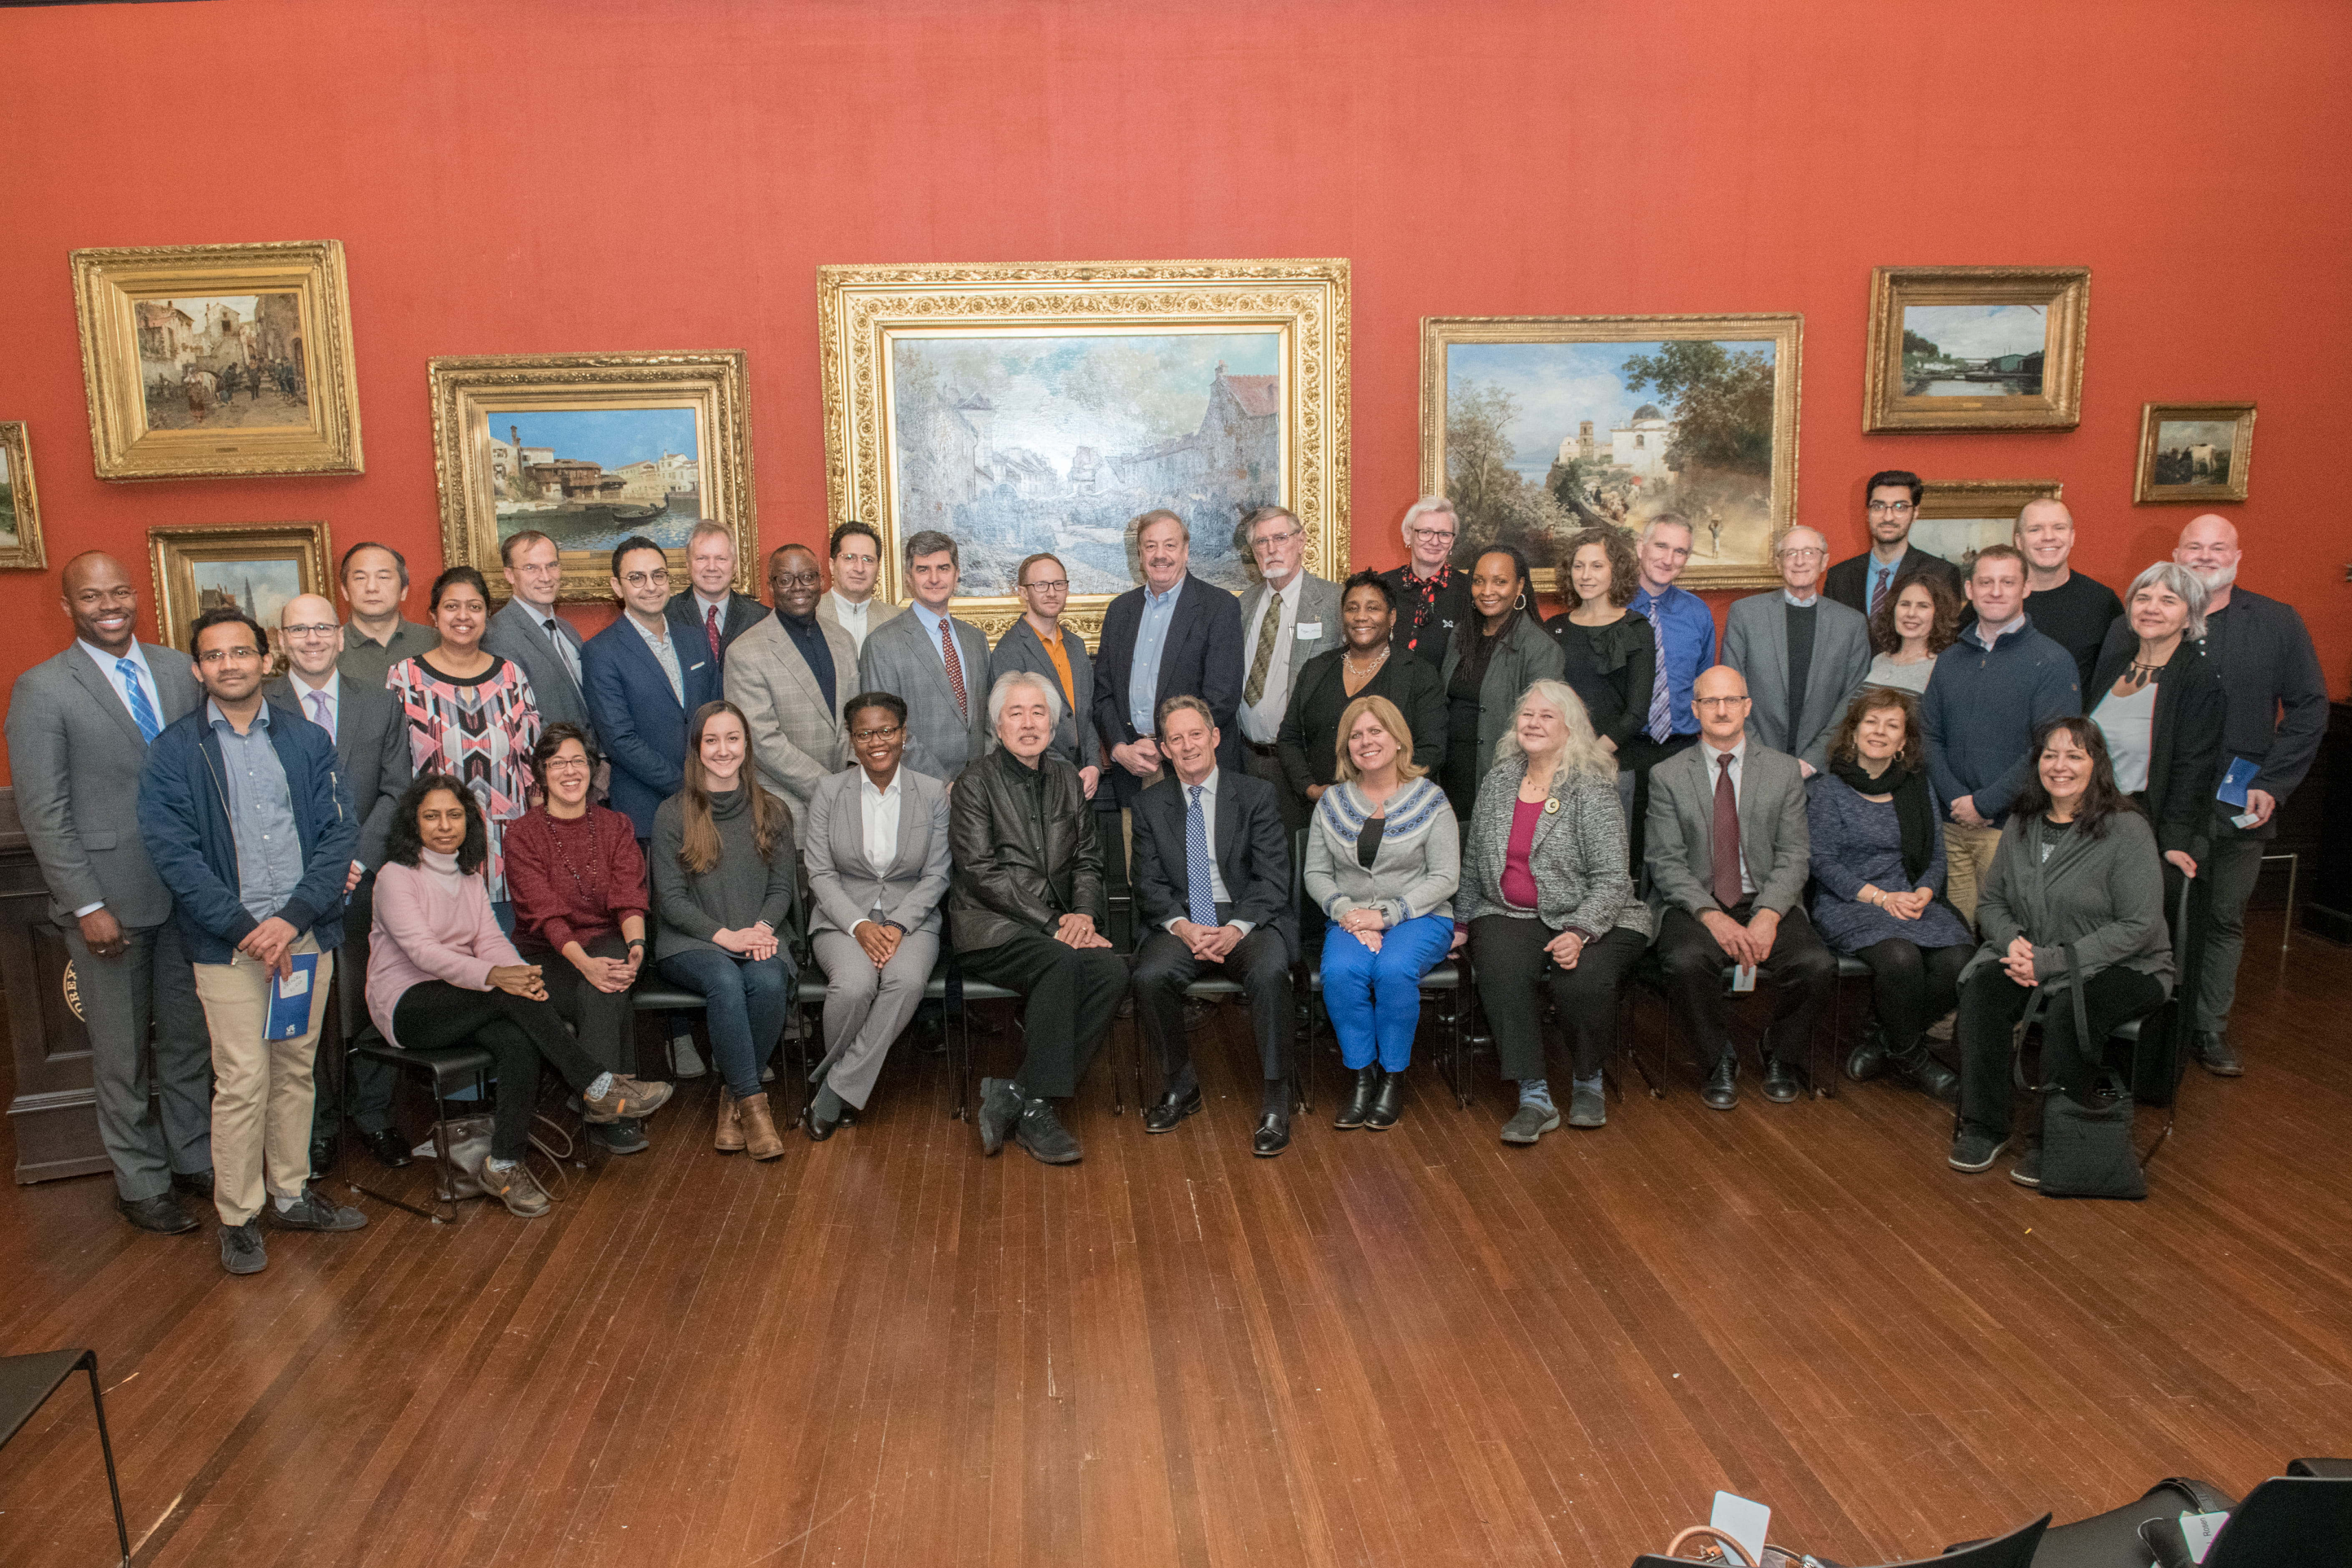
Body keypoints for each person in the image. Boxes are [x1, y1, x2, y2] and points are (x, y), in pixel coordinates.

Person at [137, 607, 367, 1274]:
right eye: (215, 655)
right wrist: (249, 929)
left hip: (302, 937)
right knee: (242, 1079)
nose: (230, 664)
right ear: (197, 669)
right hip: (228, 947)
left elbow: (337, 837)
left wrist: (291, 920)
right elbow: (175, 855)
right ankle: (238, 1215)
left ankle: (290, 1195)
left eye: (242, 652)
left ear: (267, 660)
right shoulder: (175, 751)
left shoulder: (307, 741)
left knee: (297, 1069)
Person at [6, 552, 215, 1234]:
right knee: (122, 1053)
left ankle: (191, 1158)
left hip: (186, 893)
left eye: (119, 590)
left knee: (188, 1042)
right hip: (109, 903)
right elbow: (45, 811)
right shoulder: (42, 689)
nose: (109, 604)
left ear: (136, 595)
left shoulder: (175, 671)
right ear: (68, 606)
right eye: (91, 595)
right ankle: (140, 1180)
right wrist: (87, 904)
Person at [369, 775, 674, 1218]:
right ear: (412, 824)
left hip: (465, 997)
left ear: (468, 823)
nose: (444, 825)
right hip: (406, 1006)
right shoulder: (396, 877)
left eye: (454, 815)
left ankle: (505, 1163)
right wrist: (500, 977)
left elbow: (491, 940)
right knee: (506, 997)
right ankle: (597, 1084)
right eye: (431, 816)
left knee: (517, 1038)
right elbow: (424, 953)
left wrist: (522, 976)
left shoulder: (468, 878)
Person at [1948, 719, 2171, 1186]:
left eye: (2074, 755)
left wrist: (2048, 962)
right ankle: (1984, 1125)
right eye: (2050, 755)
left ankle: (2054, 1139)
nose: (2060, 766)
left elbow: (2139, 925)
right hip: (2031, 953)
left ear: (2097, 764)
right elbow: (1991, 903)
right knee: (1982, 994)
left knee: (2074, 1011)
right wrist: (2012, 944)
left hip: (2125, 964)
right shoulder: (2022, 822)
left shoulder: (2126, 829)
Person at [2163, 514, 2327, 1076]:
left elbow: (2310, 707)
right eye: (2194, 546)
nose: (2205, 556)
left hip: (2238, 802)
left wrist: (2273, 784)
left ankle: (2208, 1027)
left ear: (2237, 554)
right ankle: (2153, 1020)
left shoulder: (2277, 623)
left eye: (2217, 546)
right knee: (2151, 912)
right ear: (2175, 553)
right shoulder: (2151, 614)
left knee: (2223, 916)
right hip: (2159, 799)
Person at [1459, 680, 1650, 1139]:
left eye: (1547, 716)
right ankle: (1534, 1096)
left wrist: (1581, 931)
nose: (1533, 723)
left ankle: (1587, 1080)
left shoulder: (1590, 787)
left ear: (1570, 729)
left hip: (1594, 913)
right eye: (1527, 714)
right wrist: (1463, 922)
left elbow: (1612, 878)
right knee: (1501, 970)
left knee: (1580, 980)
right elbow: (1473, 861)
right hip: (1506, 909)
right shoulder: (1499, 779)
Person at [264, 593, 412, 1172]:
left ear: (340, 634)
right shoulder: (260, 703)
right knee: (305, 1009)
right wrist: (317, 871)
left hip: (366, 880)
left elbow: (399, 788)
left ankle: (374, 1114)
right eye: (298, 629)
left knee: (374, 995)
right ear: (281, 640)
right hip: (291, 889)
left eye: (322, 627)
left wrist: (353, 861)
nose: (312, 638)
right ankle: (318, 1125)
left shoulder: (379, 703)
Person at [956, 671, 1129, 1166]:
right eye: (1017, 713)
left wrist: (1083, 915)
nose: (1029, 724)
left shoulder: (1066, 782)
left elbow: (1088, 861)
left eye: (1039, 714)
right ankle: (1038, 1111)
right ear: (997, 725)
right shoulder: (974, 784)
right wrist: (1054, 925)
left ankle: (1018, 1094)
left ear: (1053, 728)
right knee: (1060, 961)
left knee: (1113, 970)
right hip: (990, 927)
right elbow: (980, 873)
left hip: (1057, 926)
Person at [1645, 665, 1836, 1110]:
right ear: (1695, 710)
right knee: (1686, 962)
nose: (1721, 710)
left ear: (1747, 707)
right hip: (1695, 902)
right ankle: (1717, 1059)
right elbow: (1664, 863)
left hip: (1763, 899)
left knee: (1816, 965)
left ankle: (1779, 1052)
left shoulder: (1783, 772)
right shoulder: (1668, 776)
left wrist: (1768, 916)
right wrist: (1712, 918)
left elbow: (1794, 856)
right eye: (1710, 701)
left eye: (1731, 700)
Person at [1130, 695, 1299, 1156]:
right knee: (1149, 977)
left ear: (1215, 737)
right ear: (1164, 749)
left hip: (1246, 916)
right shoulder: (1149, 806)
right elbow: (1146, 883)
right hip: (1184, 921)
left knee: (1268, 973)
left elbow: (1272, 878)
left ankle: (1275, 1098)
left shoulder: (1256, 794)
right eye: (1175, 739)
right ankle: (1181, 1085)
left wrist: (1237, 927)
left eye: (1195, 735)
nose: (1187, 746)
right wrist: (1184, 927)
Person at [1806, 688, 1970, 1102]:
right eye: (1871, 722)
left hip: (1910, 898)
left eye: (1891, 725)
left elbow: (1934, 855)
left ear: (1903, 742)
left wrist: (1924, 892)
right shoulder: (1828, 790)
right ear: (1853, 731)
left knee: (1962, 961)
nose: (1879, 731)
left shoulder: (1916, 787)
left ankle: (1881, 1038)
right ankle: (1913, 1058)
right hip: (1850, 901)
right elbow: (1822, 863)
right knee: (1901, 959)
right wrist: (1881, 899)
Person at [651, 701, 800, 1160]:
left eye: (732, 738)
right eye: (711, 740)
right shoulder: (672, 814)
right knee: (724, 980)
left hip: (760, 933)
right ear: (696, 749)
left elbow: (782, 888)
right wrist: (726, 938)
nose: (722, 750)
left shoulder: (773, 811)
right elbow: (671, 902)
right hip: (693, 941)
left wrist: (758, 930)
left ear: (746, 746)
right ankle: (756, 1110)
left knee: (769, 980)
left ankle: (734, 1097)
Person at [1306, 695, 1460, 1132]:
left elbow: (1446, 877)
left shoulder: (1431, 800)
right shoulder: (1331, 803)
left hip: (1421, 917)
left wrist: (1386, 917)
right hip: (1350, 917)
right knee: (1340, 975)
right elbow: (1316, 873)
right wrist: (1348, 913)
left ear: (1397, 741)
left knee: (1392, 971)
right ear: (1345, 749)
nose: (1365, 741)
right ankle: (1362, 1076)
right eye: (1355, 735)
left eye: (1375, 732)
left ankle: (1393, 1077)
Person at [802, 692, 952, 1139]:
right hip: (842, 919)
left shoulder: (931, 794)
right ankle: (848, 1086)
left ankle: (837, 1089)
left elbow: (938, 872)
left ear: (904, 735)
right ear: (852, 740)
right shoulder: (829, 792)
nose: (876, 742)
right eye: (864, 733)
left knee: (905, 982)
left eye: (886, 730)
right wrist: (861, 926)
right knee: (853, 986)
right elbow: (820, 872)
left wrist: (898, 924)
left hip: (913, 920)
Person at [502, 724, 654, 1157]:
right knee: (601, 987)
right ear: (540, 774)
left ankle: (598, 1101)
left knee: (610, 980)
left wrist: (636, 950)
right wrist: (585, 964)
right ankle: (610, 1105)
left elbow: (629, 898)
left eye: (578, 762)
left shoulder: (616, 826)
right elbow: (544, 915)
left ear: (592, 769)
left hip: (609, 940)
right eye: (557, 764)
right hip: (547, 952)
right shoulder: (521, 834)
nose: (569, 772)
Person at [1920, 544, 2082, 927]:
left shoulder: (2052, 661)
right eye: (1986, 582)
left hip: (2012, 828)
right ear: (1969, 590)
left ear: (2025, 588)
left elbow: (2050, 749)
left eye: (2007, 582)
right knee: (1957, 937)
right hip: (1950, 825)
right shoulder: (1950, 658)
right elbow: (1928, 734)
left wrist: (1984, 804)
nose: (1996, 591)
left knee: (2006, 937)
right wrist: (1957, 799)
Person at [386, 565, 543, 924]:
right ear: (434, 616)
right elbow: (393, 768)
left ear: (488, 614)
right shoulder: (404, 678)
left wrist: (539, 841)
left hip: (508, 852)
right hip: (435, 850)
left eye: (474, 607)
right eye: (451, 606)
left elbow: (532, 766)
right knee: (449, 966)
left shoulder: (511, 676)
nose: (463, 616)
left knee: (508, 963)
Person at [1093, 509, 1245, 807]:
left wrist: (1166, 748)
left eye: (1170, 545)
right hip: (1133, 769)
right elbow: (1103, 693)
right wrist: (1120, 749)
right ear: (1139, 554)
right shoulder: (1120, 611)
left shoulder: (1219, 607)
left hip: (1195, 767)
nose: (1159, 555)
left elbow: (1222, 697)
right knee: (1138, 853)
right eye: (1150, 546)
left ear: (1186, 551)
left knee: (1202, 853)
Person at [2087, 563, 2226, 885]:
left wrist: (2174, 840)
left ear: (2190, 617)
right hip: (2092, 821)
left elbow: (2194, 767)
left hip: (2145, 828)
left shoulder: (2198, 680)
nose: (2151, 608)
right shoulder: (2113, 665)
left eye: (2168, 600)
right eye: (2143, 597)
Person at [582, 534, 722, 841]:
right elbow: (620, 740)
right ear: (617, 587)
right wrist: (687, 784)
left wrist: (712, 779)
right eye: (637, 577)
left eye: (659, 575)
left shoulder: (694, 638)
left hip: (708, 807)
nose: (651, 586)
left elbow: (715, 712)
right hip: (646, 812)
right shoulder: (601, 652)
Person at [726, 542, 857, 847]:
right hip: (789, 812)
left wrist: (852, 776)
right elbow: (762, 741)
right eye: (786, 579)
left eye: (808, 577)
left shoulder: (843, 640)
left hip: (852, 806)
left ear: (823, 581)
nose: (798, 587)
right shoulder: (745, 652)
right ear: (771, 586)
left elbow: (857, 716)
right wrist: (829, 788)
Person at [1278, 572, 1446, 807]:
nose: (1361, 617)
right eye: (1352, 608)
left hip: (1393, 810)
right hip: (1320, 808)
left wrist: (1381, 792)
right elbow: (1290, 737)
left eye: (1373, 608)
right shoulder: (1316, 669)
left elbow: (1432, 749)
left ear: (1392, 617)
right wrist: (1310, 789)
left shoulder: (1419, 674)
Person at [1721, 526, 1873, 776]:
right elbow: (1731, 691)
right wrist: (1761, 756)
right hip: (1754, 765)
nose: (1800, 561)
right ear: (1779, 563)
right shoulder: (1745, 615)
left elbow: (1853, 699)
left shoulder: (1851, 624)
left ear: (1824, 561)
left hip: (1823, 770)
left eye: (1809, 553)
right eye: (1790, 553)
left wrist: (1813, 761)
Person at [1234, 505, 1343, 830]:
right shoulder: (1243, 604)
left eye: (1280, 538)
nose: (1271, 549)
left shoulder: (1335, 602)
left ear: (1301, 541)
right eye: (1261, 542)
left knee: (1300, 860)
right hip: (1246, 758)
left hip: (1305, 764)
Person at [1436, 546, 1564, 818]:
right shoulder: (1461, 635)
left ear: (1519, 586)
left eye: (1500, 581)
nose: (1487, 590)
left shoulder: (1539, 648)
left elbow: (1543, 730)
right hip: (1449, 774)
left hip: (1501, 780)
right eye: (1478, 581)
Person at [858, 529, 993, 786]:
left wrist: (979, 779)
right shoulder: (882, 644)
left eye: (943, 568)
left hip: (980, 788)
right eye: (923, 569)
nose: (934, 578)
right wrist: (940, 784)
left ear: (957, 574)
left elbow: (988, 718)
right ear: (909, 577)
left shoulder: (975, 640)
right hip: (918, 788)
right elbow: (886, 730)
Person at [1547, 524, 1656, 818]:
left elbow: (1636, 712)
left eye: (1597, 566)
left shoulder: (1636, 628)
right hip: (1557, 767)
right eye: (1578, 566)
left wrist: (1589, 757)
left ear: (1615, 571)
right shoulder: (1554, 629)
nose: (1585, 575)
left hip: (1615, 768)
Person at [989, 551, 1100, 798]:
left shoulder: (1075, 645)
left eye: (1059, 584)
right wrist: (1067, 774)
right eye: (1041, 585)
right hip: (1035, 785)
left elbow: (1086, 716)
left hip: (1084, 781)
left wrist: (1093, 765)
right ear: (1023, 592)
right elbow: (1014, 728)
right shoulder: (1009, 651)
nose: (1052, 592)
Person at [482, 530, 594, 750]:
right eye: (531, 568)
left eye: (552, 565)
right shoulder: (497, 636)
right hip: (548, 769)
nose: (546, 577)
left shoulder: (566, 629)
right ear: (510, 575)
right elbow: (513, 724)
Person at [1624, 513, 1717, 765]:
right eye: (1661, 546)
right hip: (1622, 749)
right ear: (1641, 547)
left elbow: (1705, 683)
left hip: (1684, 749)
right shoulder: (1611, 607)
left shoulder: (1698, 612)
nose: (1668, 560)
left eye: (1680, 551)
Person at [2013, 498, 2124, 693]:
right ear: (2019, 541)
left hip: (2078, 721)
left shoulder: (2102, 601)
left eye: (2059, 528)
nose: (2048, 537)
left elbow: (2119, 677)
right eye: (2035, 530)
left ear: (2072, 537)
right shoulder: (1995, 600)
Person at [1824, 470, 1962, 617]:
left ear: (1915, 513)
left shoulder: (1942, 574)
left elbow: (1946, 636)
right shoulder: (1839, 577)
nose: (1888, 517)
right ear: (1867, 513)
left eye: (1900, 507)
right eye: (1878, 507)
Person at [1377, 496, 1473, 667]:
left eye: (1444, 535)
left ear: (1452, 542)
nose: (1435, 542)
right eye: (1426, 532)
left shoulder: (1469, 590)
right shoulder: (1382, 587)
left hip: (1444, 693)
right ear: (1408, 535)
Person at [665, 519, 769, 678]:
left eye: (721, 559)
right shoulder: (666, 615)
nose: (712, 567)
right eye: (702, 559)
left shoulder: (762, 619)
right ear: (688, 565)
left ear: (735, 566)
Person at [334, 541, 435, 692]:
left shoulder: (436, 642)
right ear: (345, 592)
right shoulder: (329, 648)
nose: (372, 588)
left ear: (404, 591)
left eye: (383, 577)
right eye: (361, 578)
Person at [1862, 572, 1963, 696]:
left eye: (1923, 606)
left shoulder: (1943, 669)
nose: (1911, 613)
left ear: (1938, 615)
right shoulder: (1879, 660)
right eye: (1905, 604)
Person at [818, 519, 903, 656]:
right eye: (850, 558)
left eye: (868, 560)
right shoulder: (812, 615)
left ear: (878, 568)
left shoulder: (897, 620)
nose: (859, 569)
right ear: (832, 565)